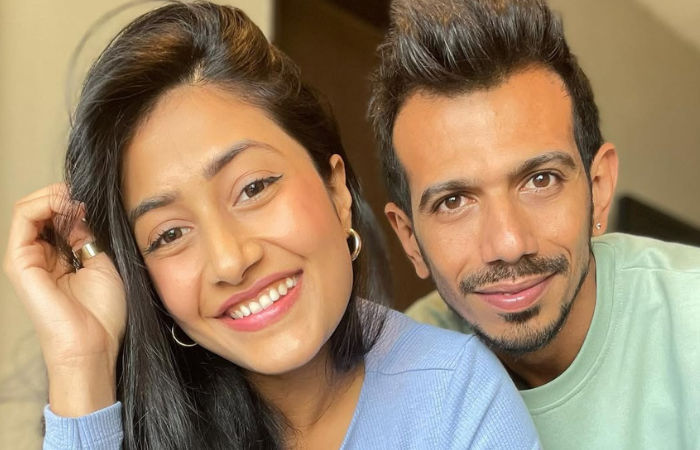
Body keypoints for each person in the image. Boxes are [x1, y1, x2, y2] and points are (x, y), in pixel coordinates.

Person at [3, 2, 540, 449]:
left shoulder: (455, 400)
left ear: (337, 191)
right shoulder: (141, 421)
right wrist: (82, 363)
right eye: (169, 234)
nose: (230, 260)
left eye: (254, 188)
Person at [368, 0, 700, 448]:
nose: (508, 243)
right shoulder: (402, 380)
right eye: (454, 202)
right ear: (410, 240)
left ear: (599, 188)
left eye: (540, 180)